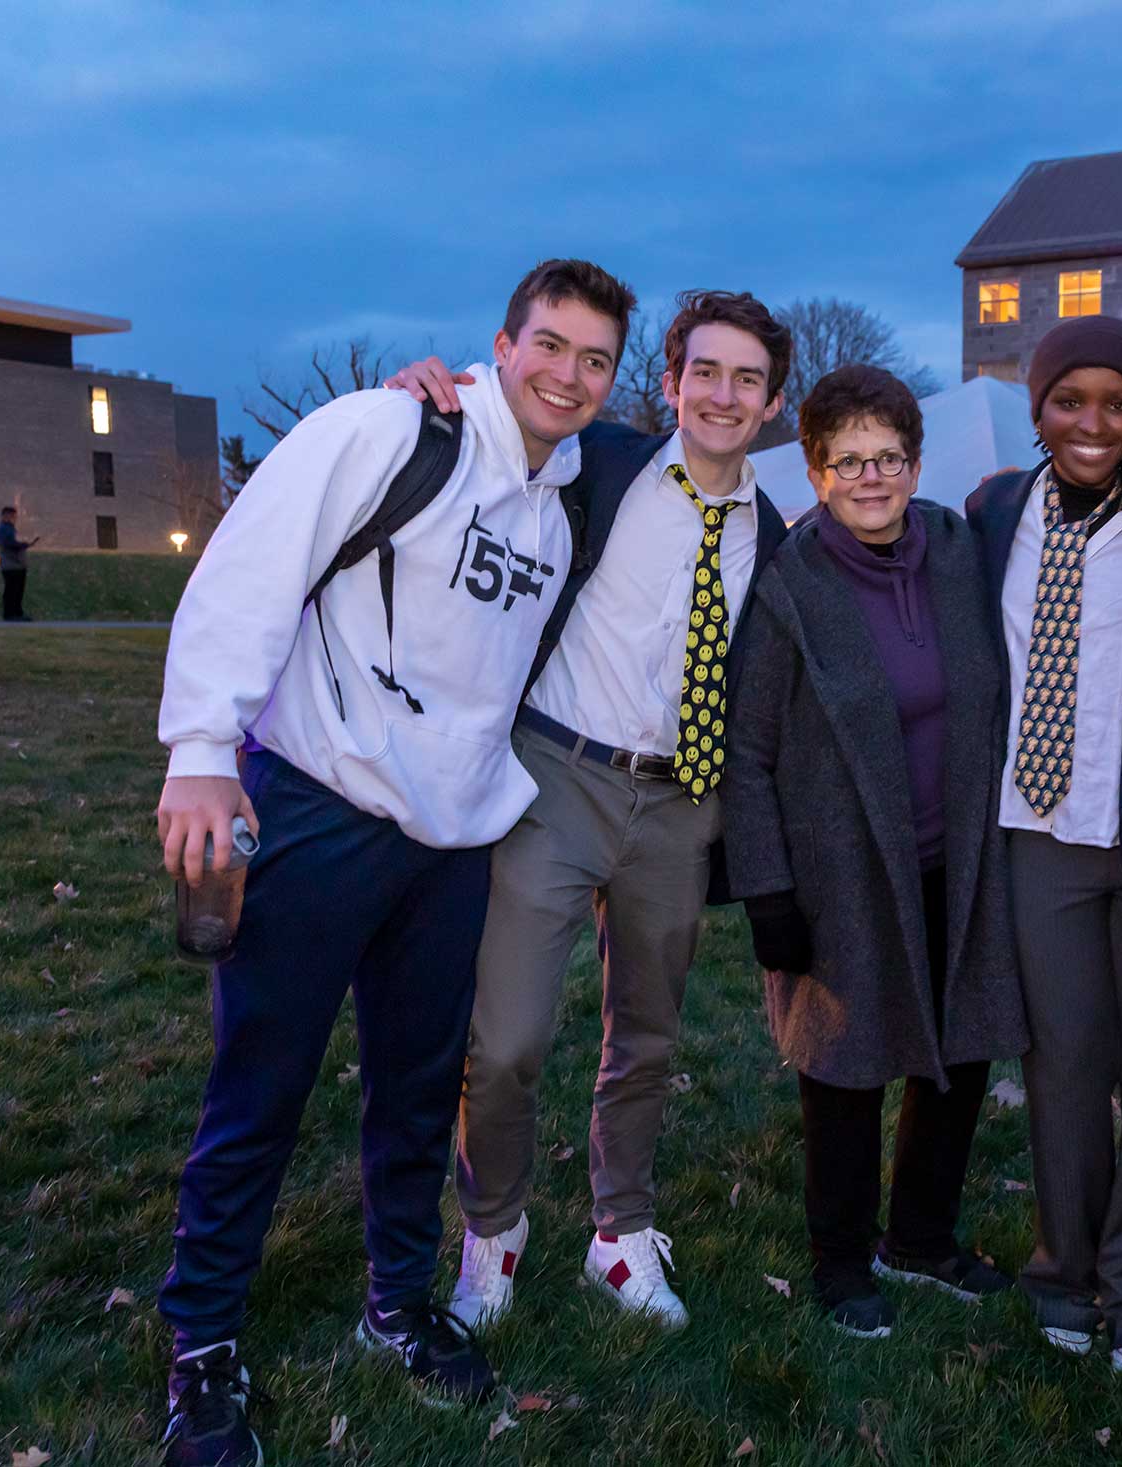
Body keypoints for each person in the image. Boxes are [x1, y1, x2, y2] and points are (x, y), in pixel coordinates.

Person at [150, 258, 632, 1466]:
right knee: (261, 1088)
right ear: (500, 343)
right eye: (550, 346)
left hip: (452, 842)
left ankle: (395, 1303)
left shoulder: (566, 493)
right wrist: (202, 749)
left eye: (595, 360)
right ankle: (202, 1346)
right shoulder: (392, 429)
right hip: (319, 810)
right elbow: (250, 568)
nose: (568, 376)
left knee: (420, 1094)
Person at [386, 292, 792, 1333]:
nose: (723, 394)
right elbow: (506, 424)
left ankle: (619, 1234)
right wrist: (423, 395)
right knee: (507, 1036)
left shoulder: (775, 533)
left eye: (747, 379)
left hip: (676, 803)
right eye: (706, 371)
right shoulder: (599, 464)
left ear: (771, 402)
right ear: (670, 380)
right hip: (557, 776)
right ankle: (494, 1228)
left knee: (646, 1034)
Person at [724, 365, 1028, 1338]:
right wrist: (767, 891)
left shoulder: (952, 546)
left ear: (915, 462)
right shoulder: (787, 586)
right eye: (847, 460)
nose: (870, 477)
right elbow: (746, 752)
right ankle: (843, 1260)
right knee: (846, 1069)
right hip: (839, 874)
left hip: (963, 858)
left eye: (888, 457)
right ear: (813, 471)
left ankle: (924, 1238)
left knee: (962, 1052)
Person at [966, 316, 1122, 1371]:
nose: (1093, 424)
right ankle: (1063, 1274)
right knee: (1064, 1067)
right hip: (1037, 836)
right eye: (1071, 401)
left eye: (1117, 404)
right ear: (1037, 408)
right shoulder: (987, 517)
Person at [0, 506, 37, 621]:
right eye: (11, 516)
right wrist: (23, 545)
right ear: (5, 516)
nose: (14, 518)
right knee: (12, 590)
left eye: (14, 516)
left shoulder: (10, 529)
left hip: (17, 564)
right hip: (11, 565)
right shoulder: (3, 529)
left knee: (17, 590)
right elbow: (8, 544)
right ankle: (10, 614)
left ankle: (17, 613)